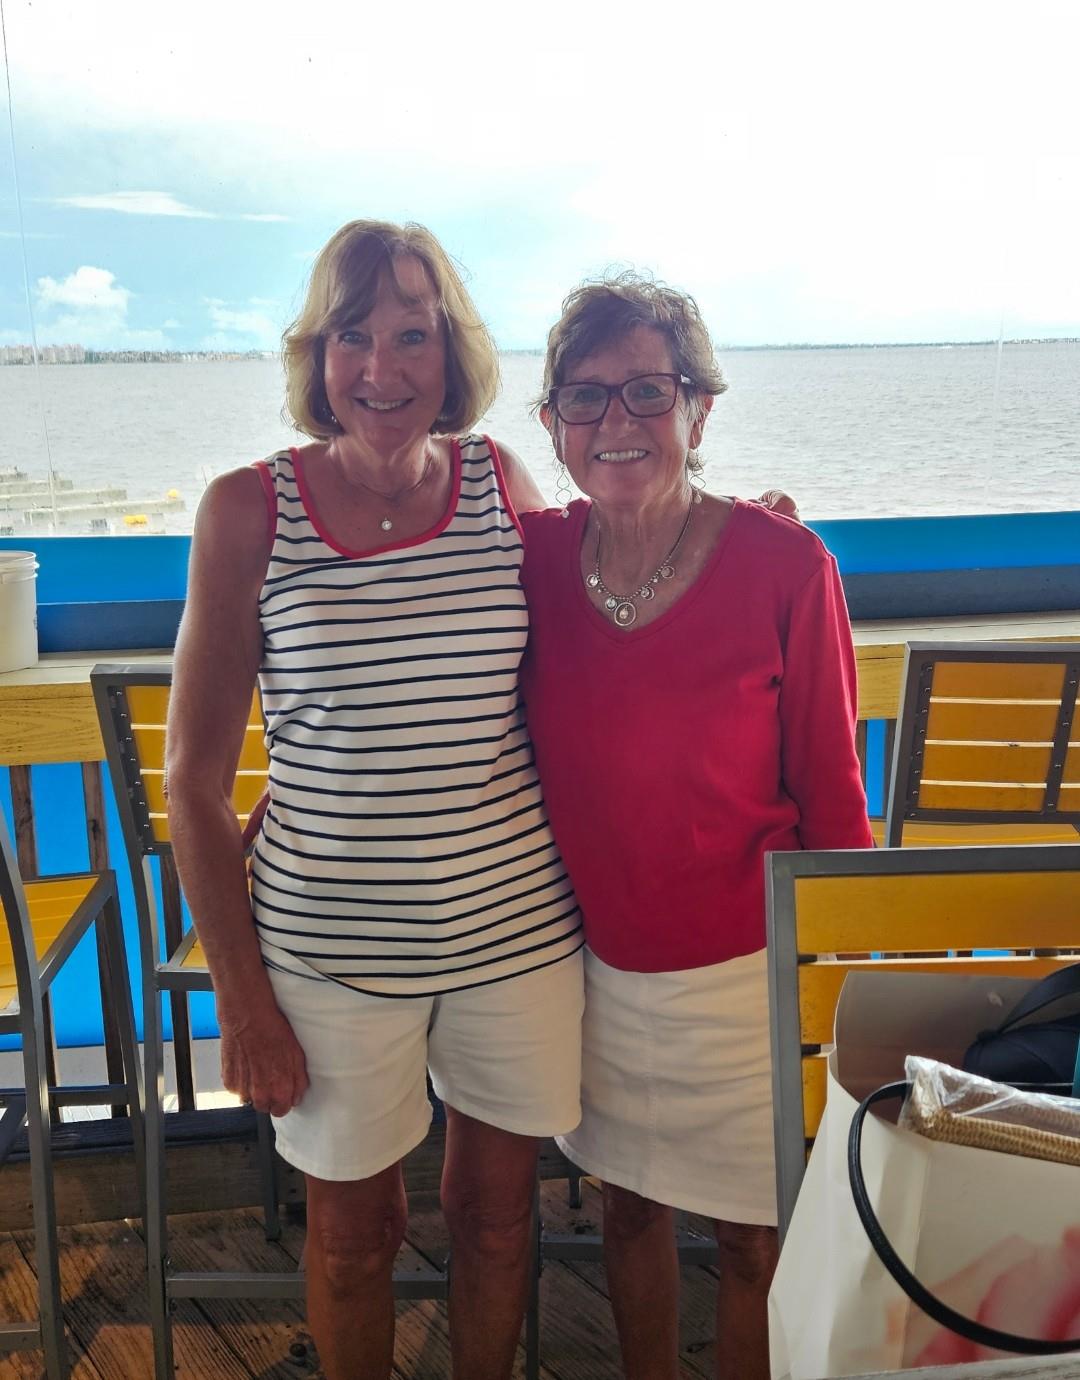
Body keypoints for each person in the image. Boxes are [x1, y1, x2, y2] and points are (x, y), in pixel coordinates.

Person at [165, 219, 585, 1380]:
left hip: (516, 935)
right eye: (354, 335)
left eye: (414, 334)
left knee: (501, 1221)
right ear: (318, 354)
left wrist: (737, 532)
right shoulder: (248, 510)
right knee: (355, 1243)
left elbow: (608, 611)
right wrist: (243, 1005)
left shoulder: (503, 480)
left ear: (453, 357)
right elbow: (193, 786)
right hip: (327, 951)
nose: (383, 369)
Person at [518, 274, 875, 1380]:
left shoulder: (787, 565)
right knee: (624, 1216)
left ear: (699, 409)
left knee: (750, 1242)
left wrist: (835, 992)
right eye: (585, 398)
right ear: (552, 424)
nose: (616, 423)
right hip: (600, 970)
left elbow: (834, 797)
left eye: (647, 392)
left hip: (747, 978)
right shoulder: (530, 562)